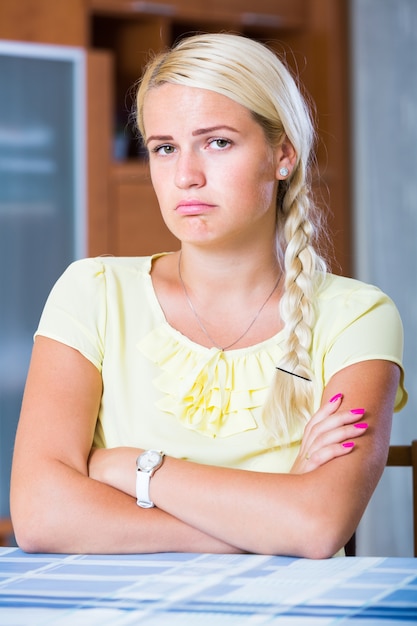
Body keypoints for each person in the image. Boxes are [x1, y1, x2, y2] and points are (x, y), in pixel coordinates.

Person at [10, 33, 407, 558]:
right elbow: (40, 515)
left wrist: (129, 467)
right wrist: (265, 524)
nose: (185, 176)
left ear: (282, 154)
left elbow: (317, 525)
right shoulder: (92, 292)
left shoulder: (357, 317)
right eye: (165, 148)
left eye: (218, 142)